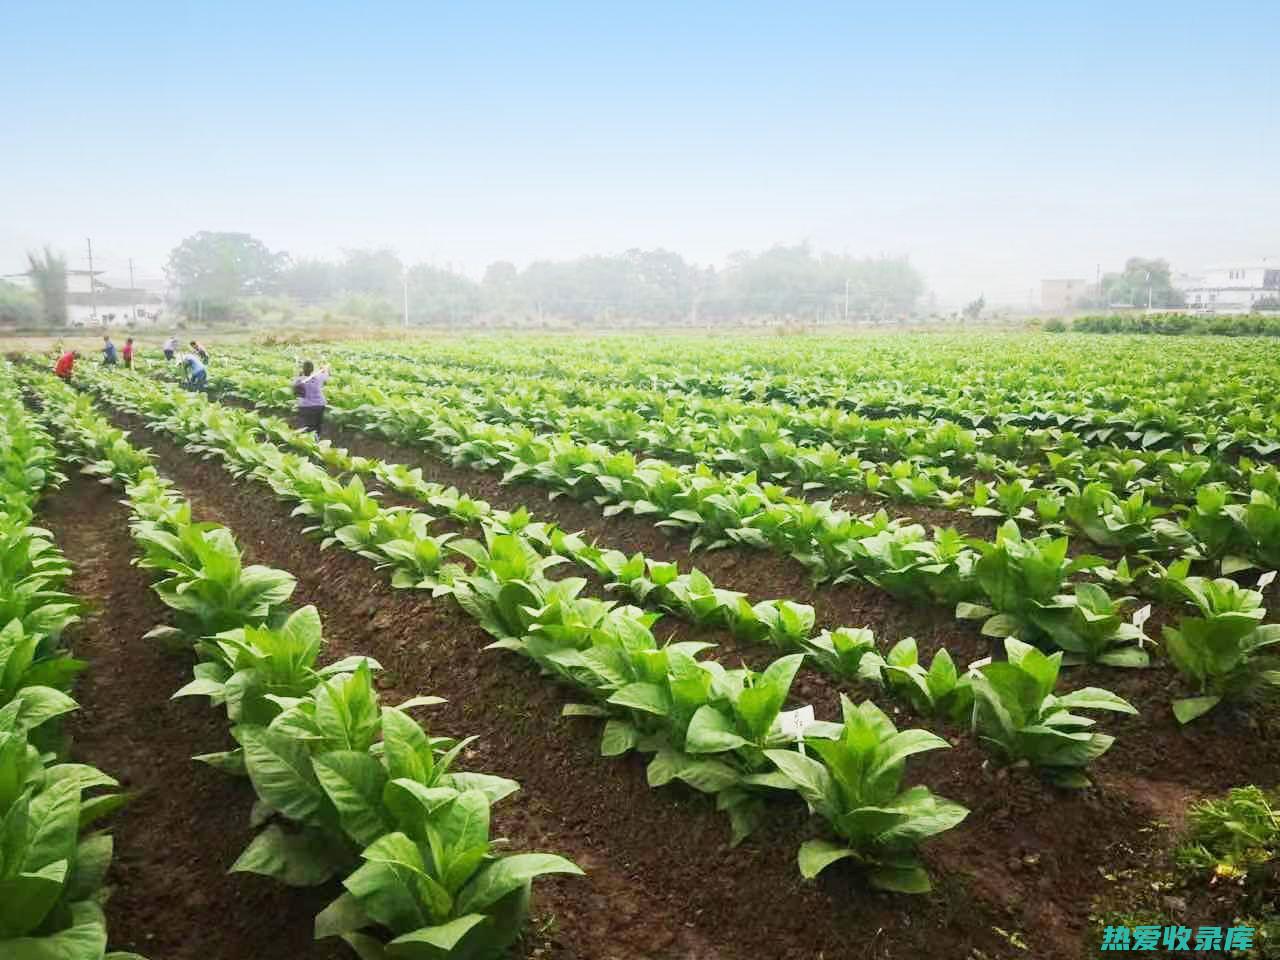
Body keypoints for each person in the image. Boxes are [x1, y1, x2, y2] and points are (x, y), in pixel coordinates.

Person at [293, 360, 330, 436]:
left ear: (303, 369)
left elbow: (295, 388)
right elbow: (326, 375)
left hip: (305, 406)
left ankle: (310, 441)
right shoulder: (319, 377)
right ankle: (317, 439)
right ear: (313, 370)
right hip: (319, 405)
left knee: (307, 426)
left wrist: (299, 374)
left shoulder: (298, 380)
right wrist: (324, 369)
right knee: (317, 426)